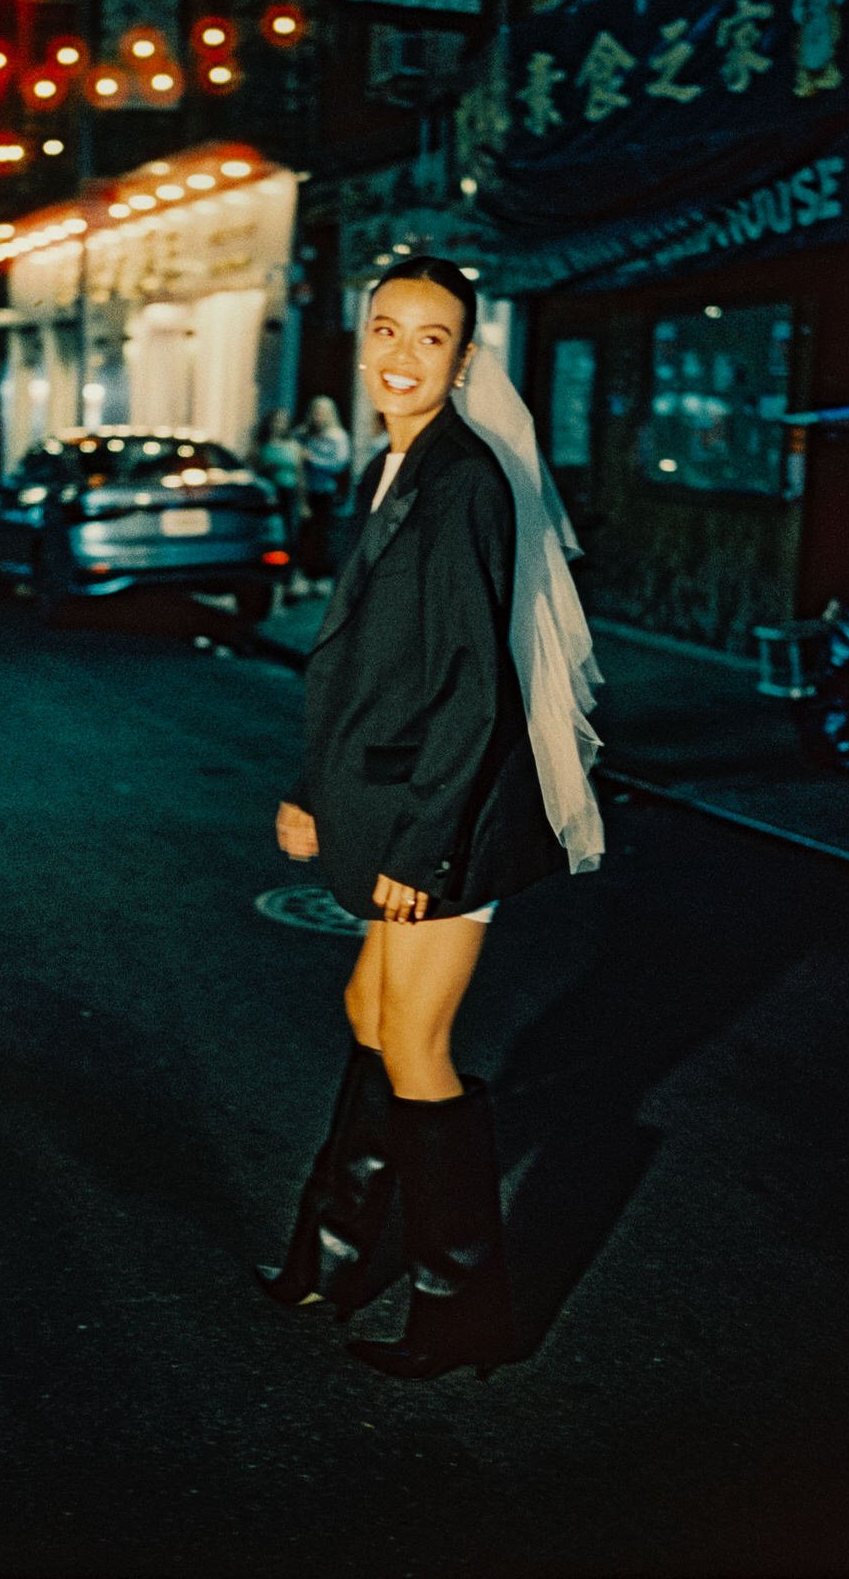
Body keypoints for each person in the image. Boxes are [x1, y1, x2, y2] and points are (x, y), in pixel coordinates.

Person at [258, 256, 604, 1381]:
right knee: (365, 1001)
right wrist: (317, 788)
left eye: (431, 338)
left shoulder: (461, 479)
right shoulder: (387, 461)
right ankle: (336, 1243)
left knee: (415, 1039)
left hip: (445, 815)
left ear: (463, 359)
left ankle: (462, 1310)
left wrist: (422, 849)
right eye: (385, 331)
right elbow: (368, 662)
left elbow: (470, 684)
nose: (401, 357)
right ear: (361, 340)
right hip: (394, 794)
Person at [294, 394, 351, 588]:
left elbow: (339, 464)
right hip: (304, 491)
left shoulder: (337, 436)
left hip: (325, 492)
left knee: (323, 534)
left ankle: (321, 575)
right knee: (305, 533)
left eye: (322, 412)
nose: (318, 416)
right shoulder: (304, 434)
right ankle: (305, 573)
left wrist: (312, 459)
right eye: (315, 411)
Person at [254, 407, 305, 560]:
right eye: (276, 421)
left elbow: (300, 474)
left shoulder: (293, 446)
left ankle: (288, 571)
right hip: (270, 492)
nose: (279, 425)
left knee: (290, 530)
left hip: (289, 491)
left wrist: (304, 503)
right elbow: (252, 468)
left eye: (283, 422)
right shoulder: (260, 445)